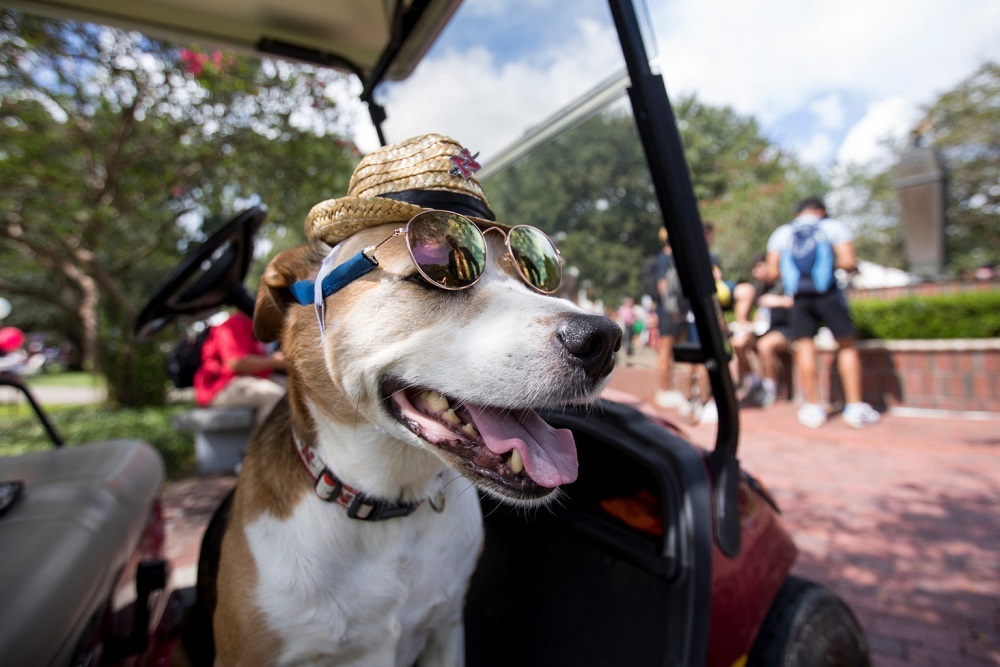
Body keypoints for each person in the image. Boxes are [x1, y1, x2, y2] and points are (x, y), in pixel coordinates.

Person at [765, 197, 881, 429]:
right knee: (846, 345)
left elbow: (770, 272)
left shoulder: (782, 233)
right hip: (827, 294)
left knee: (805, 346)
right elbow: (848, 261)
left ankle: (813, 407)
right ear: (821, 211)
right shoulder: (832, 227)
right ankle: (854, 407)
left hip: (799, 297)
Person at [193, 310, 287, 425]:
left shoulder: (254, 325)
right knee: (276, 397)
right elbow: (236, 363)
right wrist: (274, 361)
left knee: (298, 389)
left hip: (248, 380)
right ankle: (267, 442)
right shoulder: (233, 325)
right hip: (220, 387)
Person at [730, 253, 793, 407]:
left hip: (786, 330)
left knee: (765, 345)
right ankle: (754, 381)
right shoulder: (760, 287)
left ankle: (770, 389)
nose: (755, 272)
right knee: (738, 343)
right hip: (764, 330)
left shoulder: (788, 281)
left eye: (758, 267)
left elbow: (800, 302)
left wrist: (779, 301)